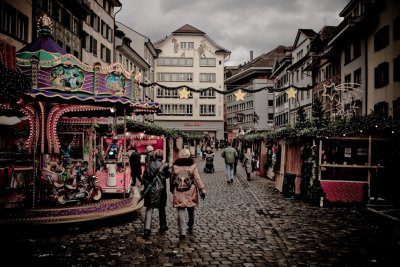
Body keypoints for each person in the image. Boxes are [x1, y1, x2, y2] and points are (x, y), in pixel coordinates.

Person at [170, 148, 206, 240]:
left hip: (178, 190)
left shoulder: (175, 165)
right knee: (191, 209)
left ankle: (182, 232)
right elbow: (197, 179)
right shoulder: (192, 165)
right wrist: (202, 189)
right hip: (190, 190)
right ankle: (190, 224)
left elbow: (172, 179)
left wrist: (172, 189)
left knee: (180, 210)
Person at [142, 149, 170, 239]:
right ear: (162, 156)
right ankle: (163, 226)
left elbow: (144, 177)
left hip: (150, 190)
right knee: (162, 209)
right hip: (161, 190)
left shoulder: (149, 165)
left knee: (149, 209)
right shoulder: (164, 165)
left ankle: (147, 229)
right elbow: (168, 175)